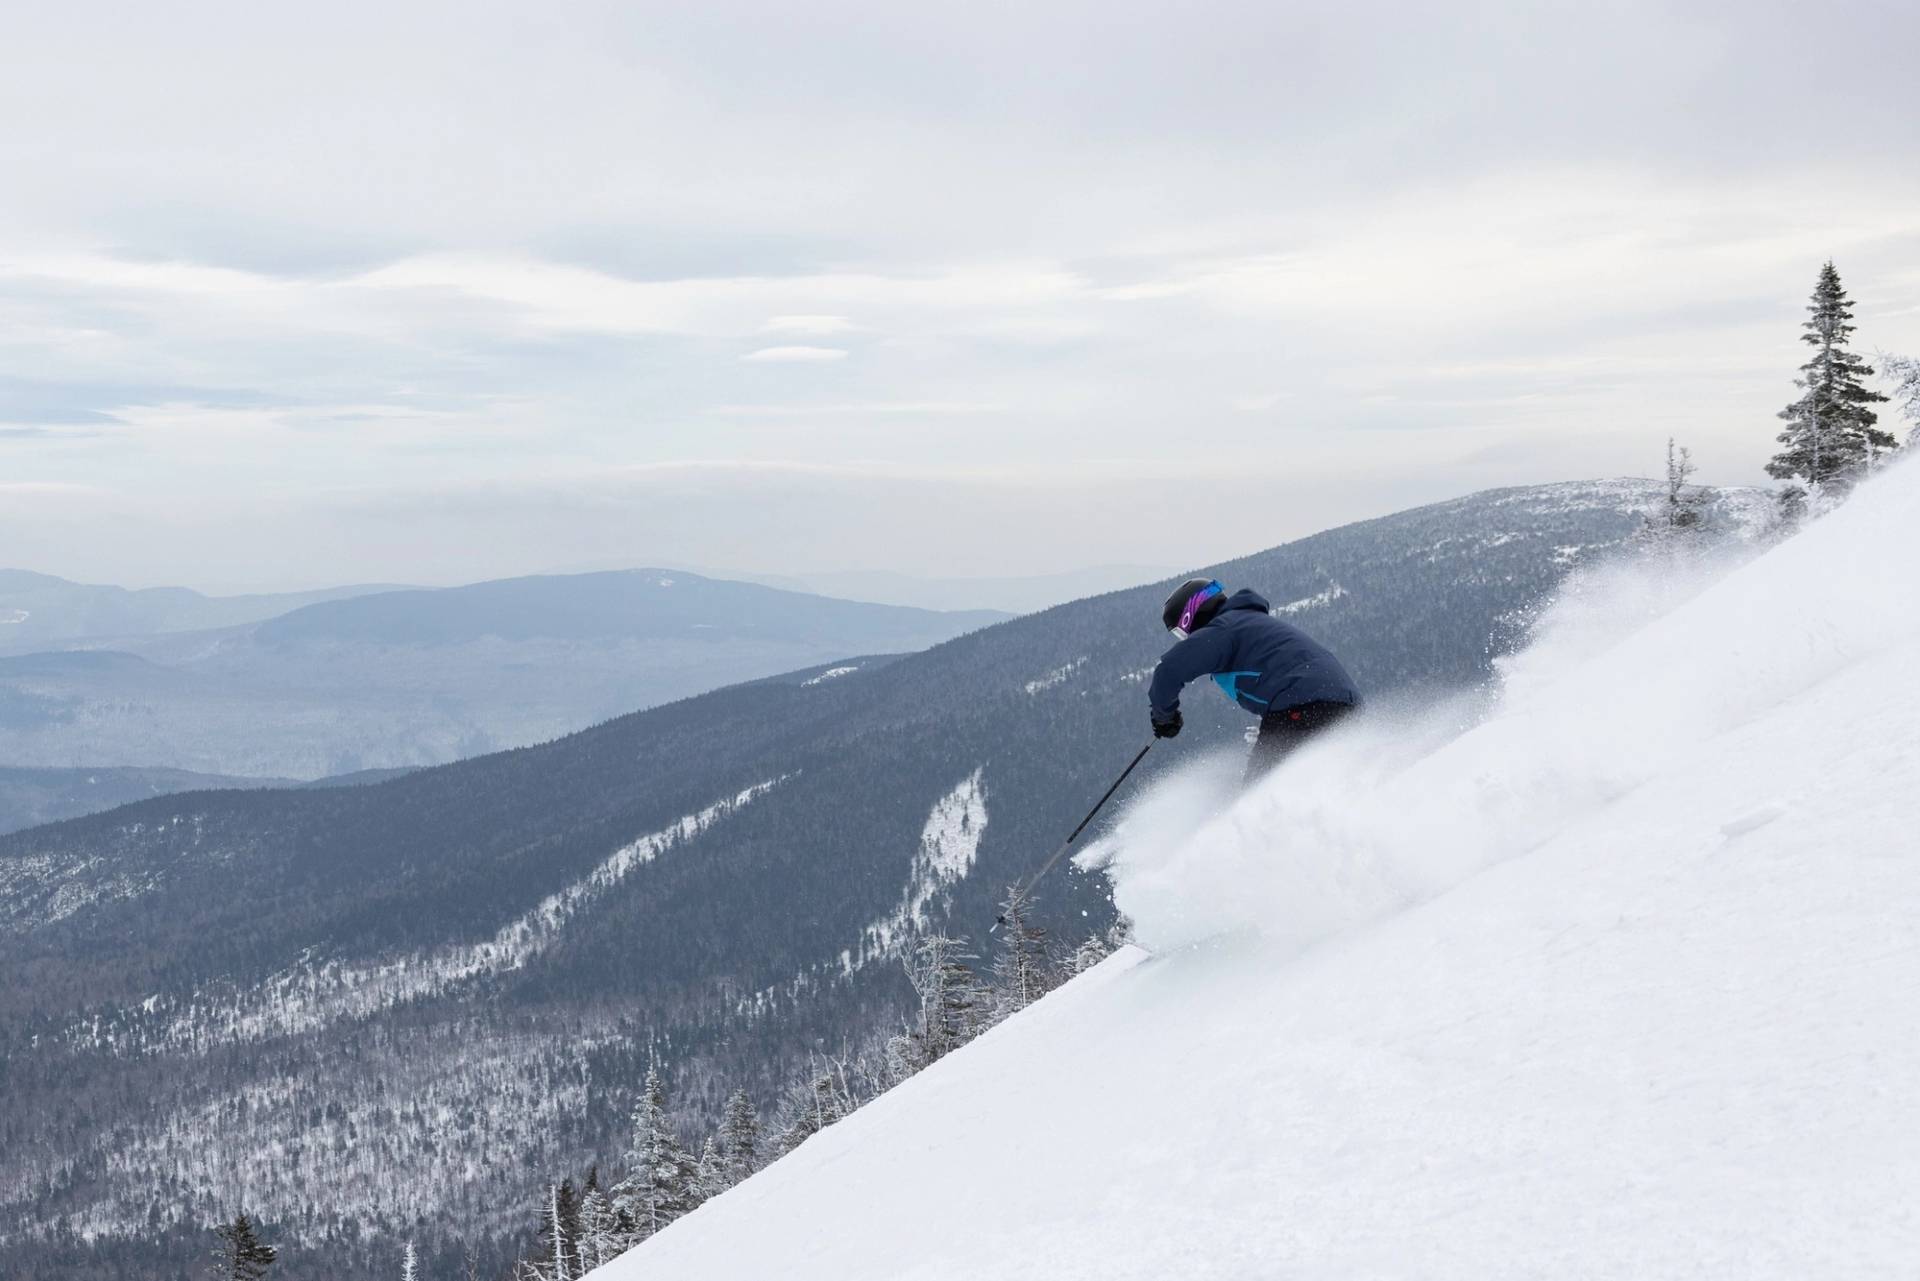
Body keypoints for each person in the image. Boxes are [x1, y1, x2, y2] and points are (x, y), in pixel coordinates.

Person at [1147, 577, 1361, 784]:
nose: (1185, 637)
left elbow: (1169, 671)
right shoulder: (1248, 621)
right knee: (1321, 781)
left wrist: (1164, 718)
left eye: (1180, 631)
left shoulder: (1222, 630)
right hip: (1343, 704)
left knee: (1261, 789)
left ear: (1192, 615)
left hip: (1301, 705)